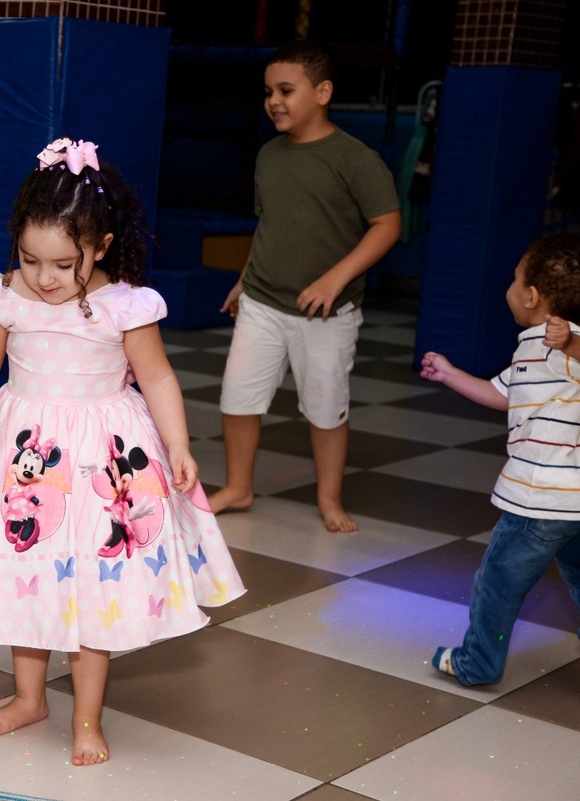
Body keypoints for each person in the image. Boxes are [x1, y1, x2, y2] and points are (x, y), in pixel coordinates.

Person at [0, 137, 246, 766]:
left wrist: (179, 443)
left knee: (89, 586)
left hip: (102, 462)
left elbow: (156, 376)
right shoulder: (7, 294)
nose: (44, 278)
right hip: (27, 460)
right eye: (31, 259)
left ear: (101, 246)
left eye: (62, 264)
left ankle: (87, 717)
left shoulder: (124, 305)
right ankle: (29, 698)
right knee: (27, 575)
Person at [209, 40, 402, 533]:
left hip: (327, 316)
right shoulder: (269, 156)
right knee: (237, 396)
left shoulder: (355, 159)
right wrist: (244, 280)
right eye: (268, 92)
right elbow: (269, 226)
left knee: (324, 407)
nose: (274, 101)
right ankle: (238, 487)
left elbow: (387, 225)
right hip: (262, 302)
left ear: (322, 92)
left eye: (286, 90)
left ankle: (329, 498)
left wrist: (335, 279)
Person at [419, 233, 580, 686]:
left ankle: (477, 662)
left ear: (532, 296)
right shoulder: (531, 346)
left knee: (498, 581)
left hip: (539, 502)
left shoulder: (570, 346)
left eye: (515, 280)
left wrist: (572, 344)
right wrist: (451, 374)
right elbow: (502, 394)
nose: (508, 287)